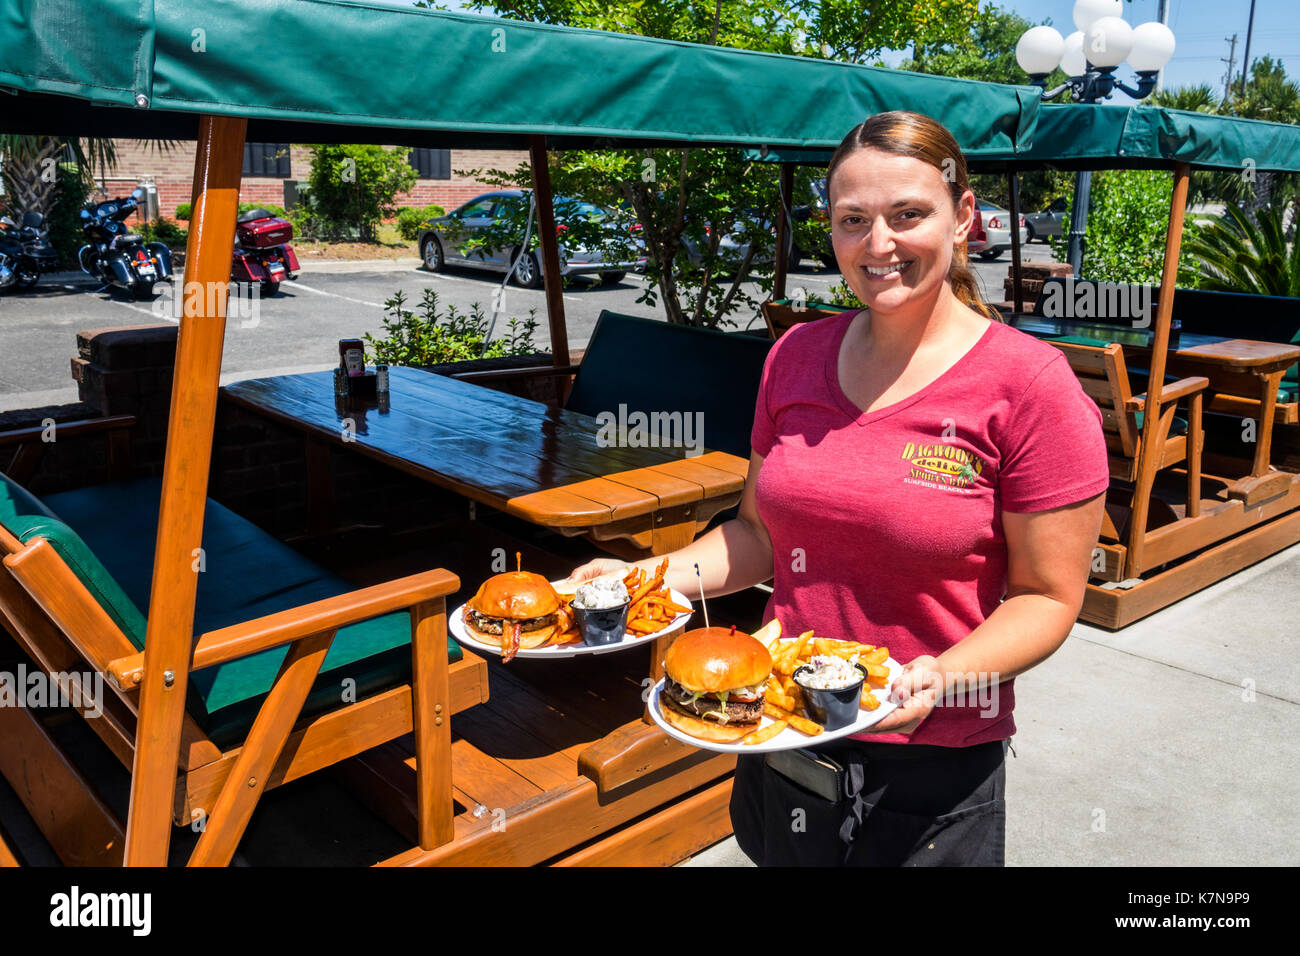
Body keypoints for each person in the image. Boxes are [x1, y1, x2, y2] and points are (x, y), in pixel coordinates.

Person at [566, 110, 1110, 866]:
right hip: (783, 735)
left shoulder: (1030, 386)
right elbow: (758, 536)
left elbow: (1049, 596)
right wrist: (640, 579)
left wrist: (942, 677)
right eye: (853, 219)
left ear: (963, 218)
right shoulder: (795, 355)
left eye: (908, 214)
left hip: (931, 761)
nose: (878, 244)